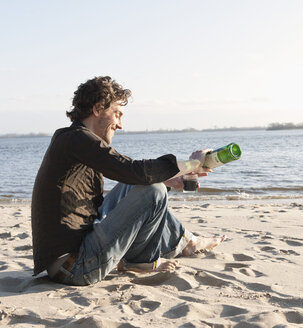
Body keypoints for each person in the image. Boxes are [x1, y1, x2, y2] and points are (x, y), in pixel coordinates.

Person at [31, 76, 225, 286]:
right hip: (75, 267)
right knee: (153, 190)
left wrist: (171, 180)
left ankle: (188, 242)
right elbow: (131, 169)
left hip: (73, 255)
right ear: (97, 109)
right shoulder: (76, 139)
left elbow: (126, 181)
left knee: (141, 185)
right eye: (117, 114)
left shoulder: (72, 140)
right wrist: (191, 164)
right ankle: (141, 261)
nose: (121, 125)